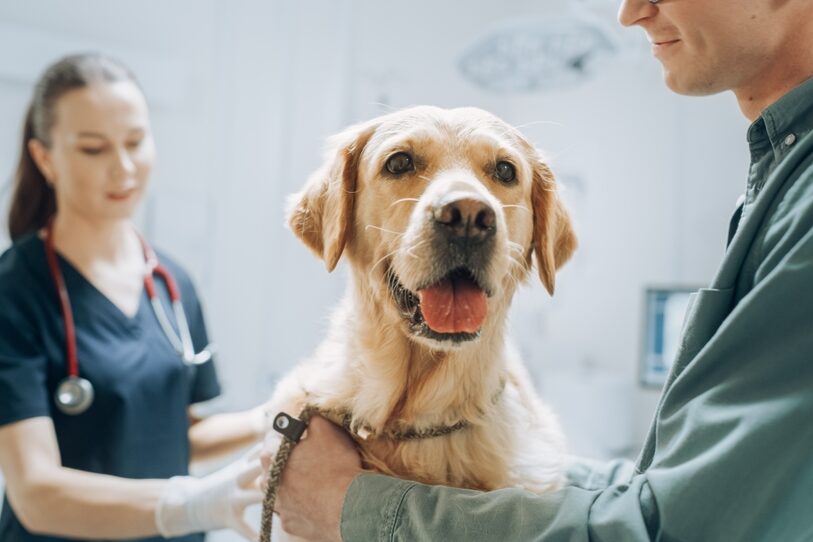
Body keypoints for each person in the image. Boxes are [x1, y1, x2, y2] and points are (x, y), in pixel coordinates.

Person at [265, 0, 813, 540]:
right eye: (402, 164)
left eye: (502, 172)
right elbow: (684, 491)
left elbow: (684, 529)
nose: (629, 12)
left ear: (537, 243)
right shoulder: (781, 178)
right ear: (342, 222)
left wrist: (352, 506)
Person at [0, 53, 271, 541]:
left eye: (135, 142)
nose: (123, 167)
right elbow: (35, 493)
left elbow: (178, 435)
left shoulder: (172, 285)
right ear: (45, 158)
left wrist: (272, 416)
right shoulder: (17, 288)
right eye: (93, 149)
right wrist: (188, 504)